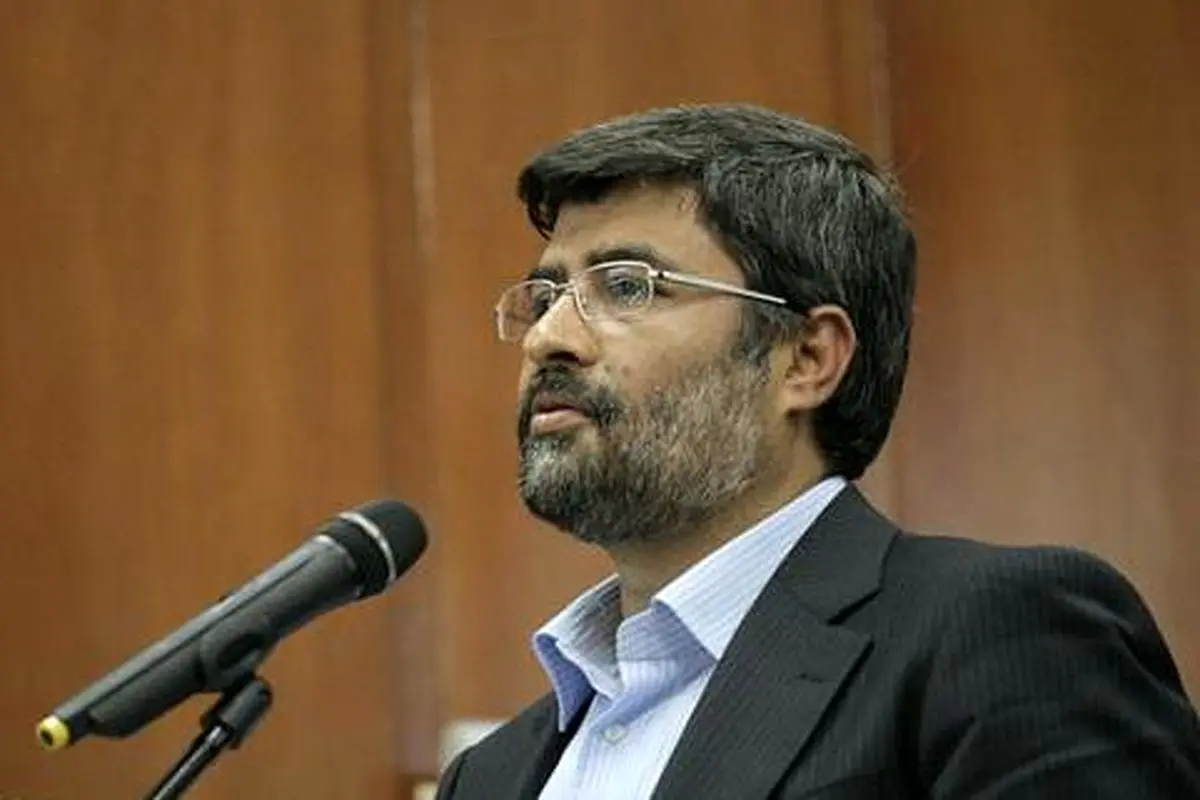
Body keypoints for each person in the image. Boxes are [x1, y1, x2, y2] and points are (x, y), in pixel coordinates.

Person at [434, 104, 1200, 799]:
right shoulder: (487, 776)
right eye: (545, 296)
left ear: (806, 359)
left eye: (628, 287)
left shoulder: (998, 636)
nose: (547, 337)